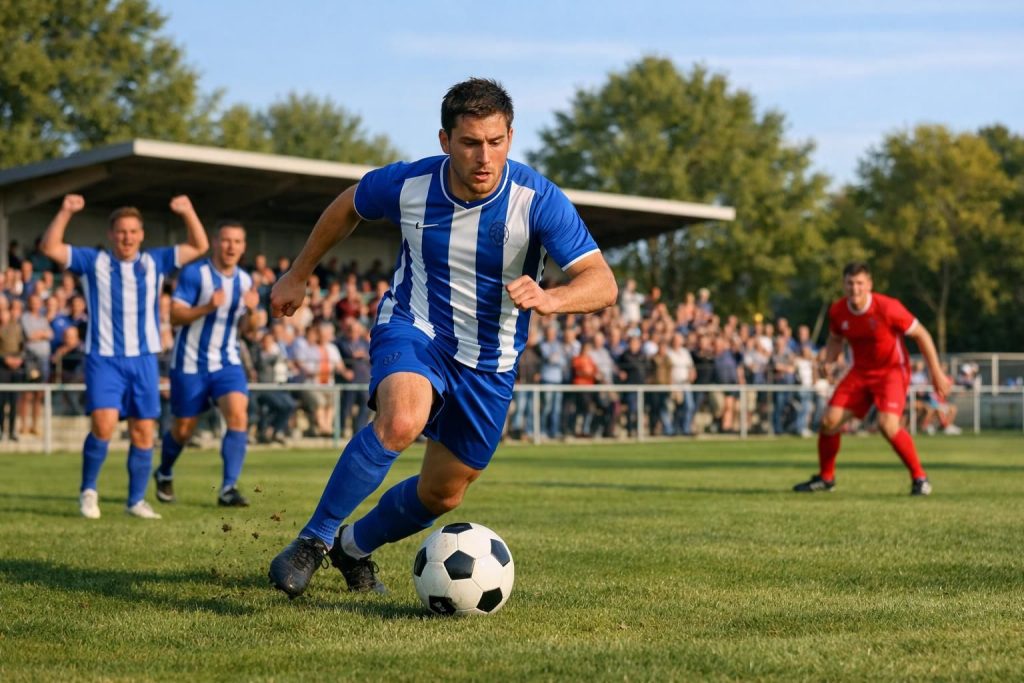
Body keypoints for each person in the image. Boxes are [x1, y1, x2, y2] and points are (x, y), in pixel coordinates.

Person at [267, 77, 616, 598]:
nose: (484, 156)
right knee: (402, 420)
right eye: (471, 142)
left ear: (510, 138)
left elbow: (602, 282)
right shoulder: (409, 185)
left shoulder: (537, 199)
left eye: (496, 142)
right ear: (444, 140)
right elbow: (348, 204)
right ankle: (312, 541)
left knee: (443, 493)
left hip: (490, 361)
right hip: (416, 326)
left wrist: (554, 297)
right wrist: (300, 271)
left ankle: (352, 548)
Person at [40, 194, 208, 519]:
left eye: (133, 231)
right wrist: (64, 211)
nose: (127, 237)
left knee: (143, 431)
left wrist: (188, 211)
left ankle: (135, 501)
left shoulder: (154, 262)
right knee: (102, 425)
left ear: (141, 235)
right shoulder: (93, 262)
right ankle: (88, 491)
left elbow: (198, 245)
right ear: (111, 234)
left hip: (143, 359)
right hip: (104, 358)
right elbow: (50, 247)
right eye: (121, 231)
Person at [793, 262, 950, 496]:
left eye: (860, 283)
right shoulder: (838, 311)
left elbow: (922, 334)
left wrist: (936, 372)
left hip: (892, 372)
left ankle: (920, 478)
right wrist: (829, 360)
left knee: (887, 425)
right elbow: (836, 339)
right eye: (850, 283)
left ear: (869, 285)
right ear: (843, 284)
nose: (855, 288)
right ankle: (826, 478)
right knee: (829, 421)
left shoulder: (888, 308)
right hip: (860, 372)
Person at [153, 221, 258, 507]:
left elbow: (250, 329)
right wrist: (208, 307)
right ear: (215, 242)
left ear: (243, 247)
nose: (231, 246)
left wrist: (253, 310)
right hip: (189, 363)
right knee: (184, 429)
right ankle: (164, 472)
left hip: (227, 362)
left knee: (238, 415)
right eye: (226, 240)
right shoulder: (194, 274)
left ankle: (228, 488)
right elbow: (175, 317)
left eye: (237, 241)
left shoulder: (246, 281)